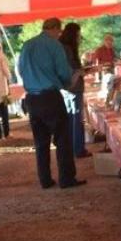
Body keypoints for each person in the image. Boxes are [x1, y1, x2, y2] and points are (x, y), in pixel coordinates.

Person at [17, 17, 85, 189]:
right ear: (55, 29)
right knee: (62, 139)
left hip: (31, 97)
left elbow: (20, 70)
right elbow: (63, 73)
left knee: (41, 142)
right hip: (50, 96)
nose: (59, 35)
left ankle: (45, 179)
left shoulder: (27, 45)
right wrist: (73, 76)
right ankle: (66, 178)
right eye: (59, 31)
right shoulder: (54, 45)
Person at [58, 23, 90, 158]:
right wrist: (82, 72)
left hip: (69, 88)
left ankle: (75, 148)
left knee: (73, 119)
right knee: (76, 119)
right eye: (78, 35)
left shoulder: (62, 48)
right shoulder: (67, 49)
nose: (79, 38)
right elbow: (72, 70)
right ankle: (78, 149)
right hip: (73, 88)